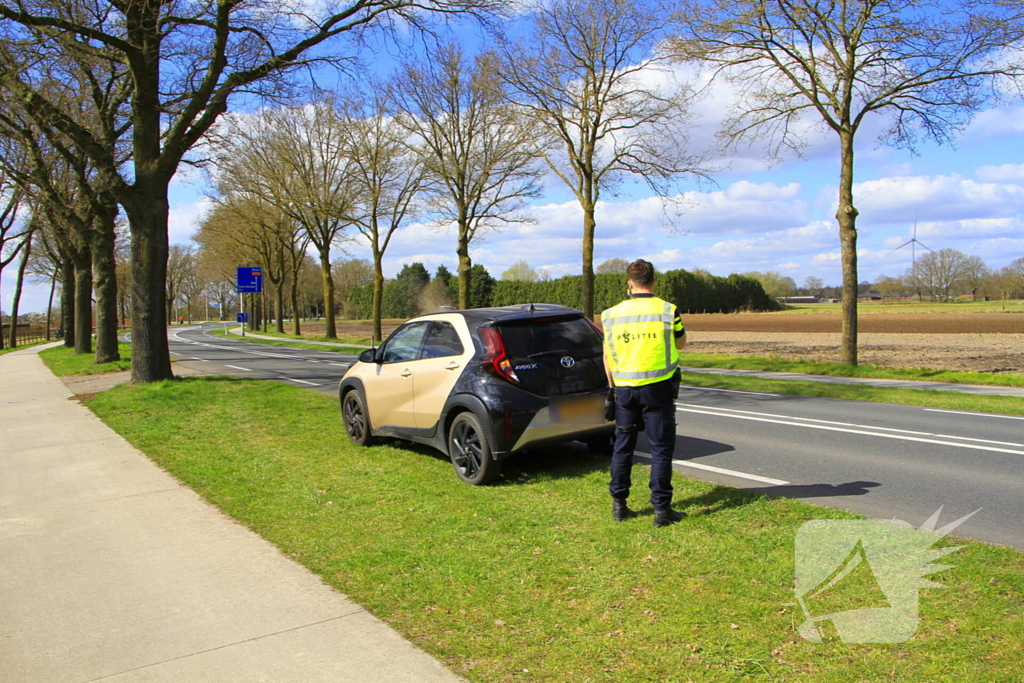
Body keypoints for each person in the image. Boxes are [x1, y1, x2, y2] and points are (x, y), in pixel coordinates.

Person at [601, 259, 687, 527]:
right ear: (654, 281)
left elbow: (607, 357)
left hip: (625, 390)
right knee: (660, 449)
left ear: (629, 283)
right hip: (658, 390)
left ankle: (619, 506)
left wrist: (612, 390)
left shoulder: (609, 315)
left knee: (622, 448)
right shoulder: (668, 310)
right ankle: (661, 511)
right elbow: (681, 343)